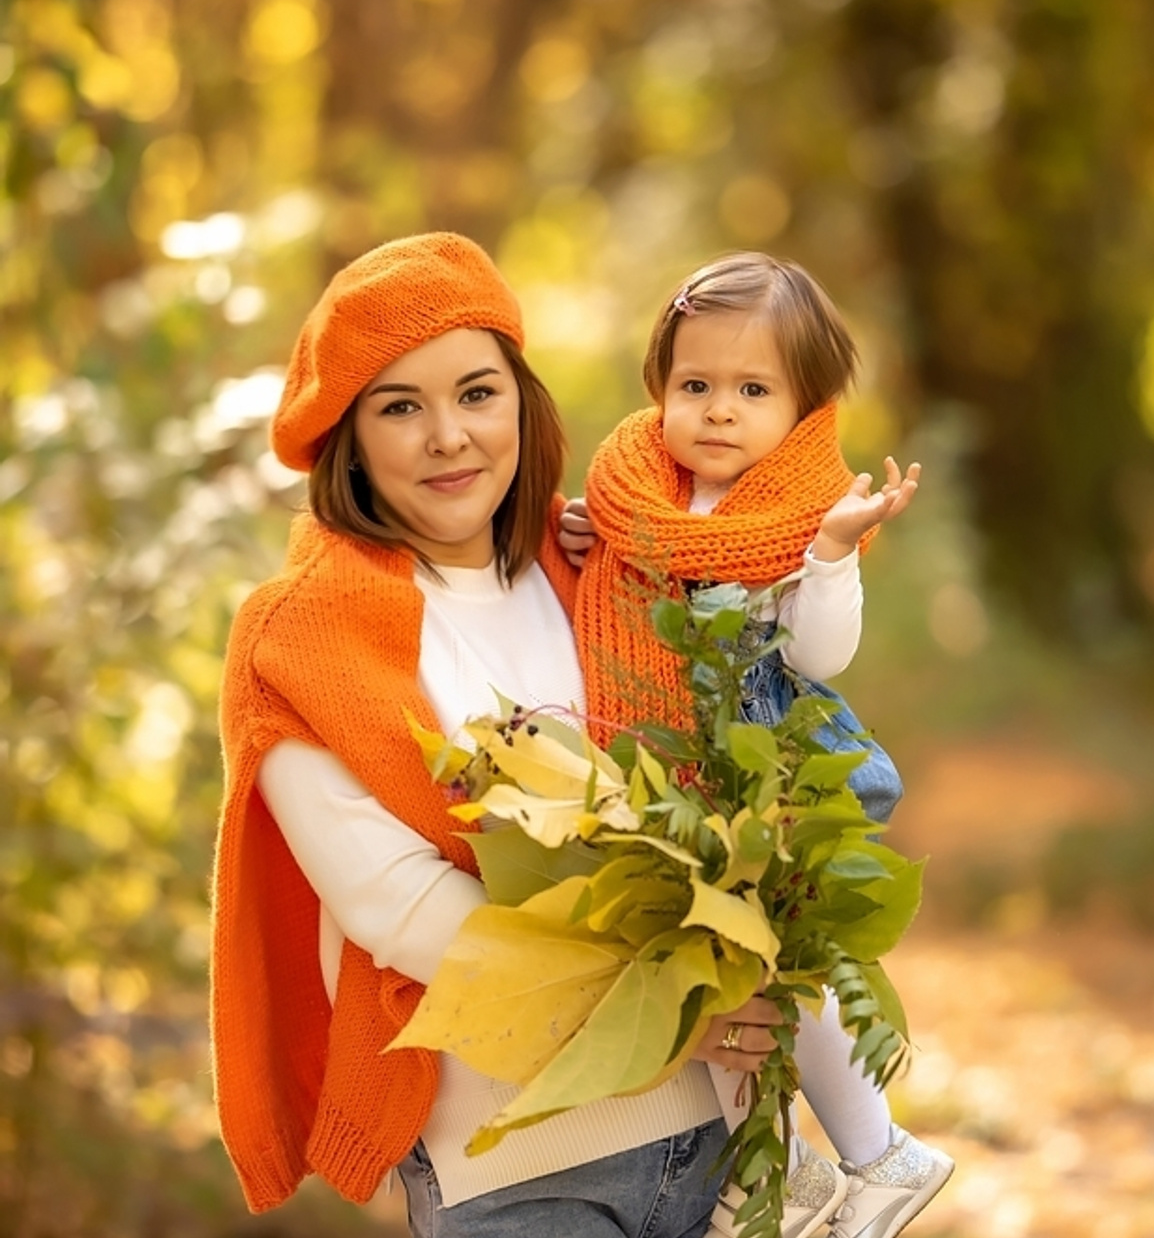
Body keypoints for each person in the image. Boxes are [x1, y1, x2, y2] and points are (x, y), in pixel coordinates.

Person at [209, 232, 788, 1238]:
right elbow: (400, 904)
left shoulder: (592, 572)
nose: (449, 437)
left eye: (476, 393)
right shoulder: (300, 633)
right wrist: (671, 1013)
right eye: (401, 407)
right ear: (346, 435)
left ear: (520, 399)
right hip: (523, 1170)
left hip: (721, 1143)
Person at [563, 252, 955, 1238]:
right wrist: (585, 545)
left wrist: (827, 556)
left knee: (771, 962)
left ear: (801, 406)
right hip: (663, 760)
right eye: (694, 386)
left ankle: (882, 1150)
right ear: (659, 390)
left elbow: (819, 654)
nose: (719, 411)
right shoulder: (632, 495)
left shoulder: (797, 514)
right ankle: (782, 1169)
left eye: (750, 389)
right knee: (704, 969)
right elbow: (622, 597)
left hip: (760, 754)